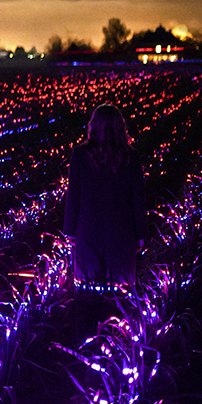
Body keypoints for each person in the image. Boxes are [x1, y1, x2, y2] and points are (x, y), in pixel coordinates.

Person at [63, 104, 146, 294]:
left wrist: (70, 231)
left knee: (89, 289)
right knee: (119, 290)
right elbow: (137, 199)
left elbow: (73, 195)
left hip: (88, 229)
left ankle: (91, 320)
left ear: (93, 125)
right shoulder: (130, 156)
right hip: (122, 230)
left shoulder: (80, 154)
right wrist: (141, 235)